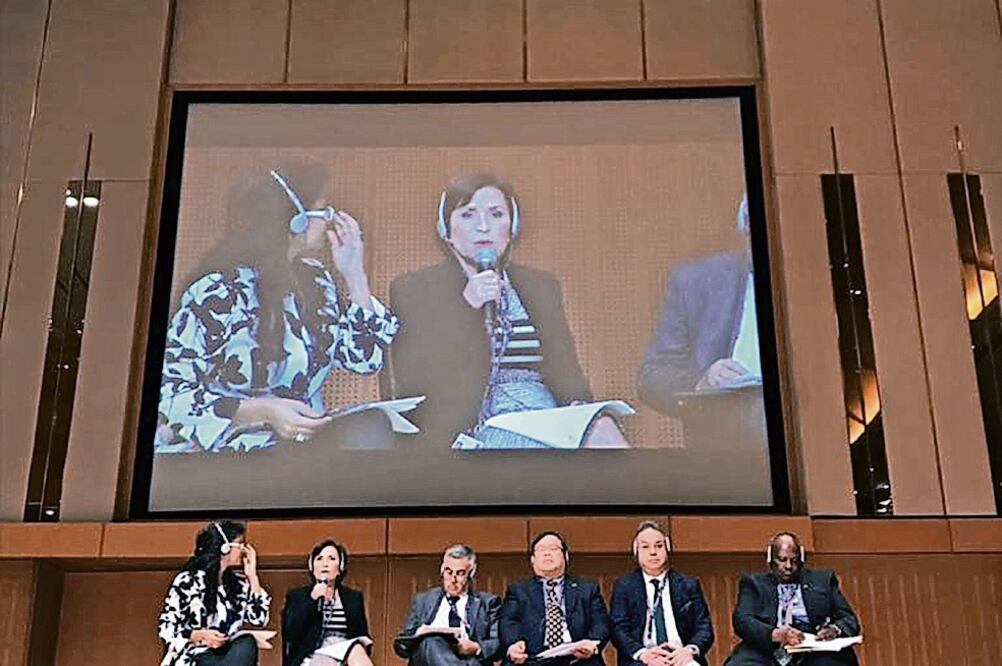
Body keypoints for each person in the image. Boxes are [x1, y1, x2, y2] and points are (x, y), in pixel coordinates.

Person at [156, 166, 399, 454]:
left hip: (301, 451)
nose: (330, 220)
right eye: (323, 211)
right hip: (225, 456)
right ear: (296, 221)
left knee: (372, 431)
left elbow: (364, 360)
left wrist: (354, 274)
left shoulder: (315, 280)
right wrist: (263, 411)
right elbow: (169, 395)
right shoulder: (218, 291)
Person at [383, 171, 625, 448]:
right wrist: (466, 307)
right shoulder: (414, 288)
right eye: (468, 215)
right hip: (472, 421)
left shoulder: (541, 286)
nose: (483, 227)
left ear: (512, 228)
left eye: (496, 214)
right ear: (445, 229)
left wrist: (579, 409)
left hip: (543, 413)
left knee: (604, 431)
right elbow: (415, 378)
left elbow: (565, 369)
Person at [638, 195, 760, 415]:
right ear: (746, 224)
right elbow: (653, 377)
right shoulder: (696, 283)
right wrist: (702, 382)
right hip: (726, 425)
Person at [725, 533, 861, 666]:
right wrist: (776, 634)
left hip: (815, 649)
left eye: (794, 560)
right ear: (771, 560)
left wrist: (834, 629)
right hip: (768, 647)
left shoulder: (823, 580)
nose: (789, 566)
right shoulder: (754, 583)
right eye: (782, 560)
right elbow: (743, 621)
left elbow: (849, 620)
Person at [158, 520, 271, 666]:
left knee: (247, 643)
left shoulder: (239, 585)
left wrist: (252, 576)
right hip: (196, 656)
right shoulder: (189, 581)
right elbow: (166, 627)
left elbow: (259, 619)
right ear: (225, 548)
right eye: (239, 544)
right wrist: (198, 635)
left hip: (227, 655)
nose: (243, 549)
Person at [610, 521, 714, 666]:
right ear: (636, 551)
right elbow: (618, 630)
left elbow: (704, 628)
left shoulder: (688, 584)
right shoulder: (624, 586)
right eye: (645, 547)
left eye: (659, 546)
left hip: (682, 657)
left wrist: (689, 650)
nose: (653, 552)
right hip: (643, 660)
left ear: (668, 548)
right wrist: (643, 654)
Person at [500, 531, 611, 665]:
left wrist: (591, 644)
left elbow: (600, 623)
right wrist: (514, 644)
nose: (547, 553)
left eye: (553, 548)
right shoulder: (518, 590)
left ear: (566, 556)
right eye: (541, 550)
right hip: (533, 659)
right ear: (532, 560)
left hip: (577, 658)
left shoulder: (587, 589)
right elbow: (508, 622)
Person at [393, 543, 501, 665]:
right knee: (432, 642)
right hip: (427, 659)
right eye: (448, 572)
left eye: (460, 573)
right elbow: (404, 642)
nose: (453, 580)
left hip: (468, 660)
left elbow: (498, 643)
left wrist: (476, 647)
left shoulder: (488, 603)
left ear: (471, 573)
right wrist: (418, 636)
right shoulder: (423, 601)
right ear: (442, 570)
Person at [282, 539, 374, 666]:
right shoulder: (297, 596)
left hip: (345, 652)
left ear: (340, 568)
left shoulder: (353, 598)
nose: (325, 564)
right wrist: (312, 599)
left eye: (331, 559)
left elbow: (362, 635)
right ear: (312, 567)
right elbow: (290, 633)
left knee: (357, 649)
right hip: (312, 654)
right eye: (319, 559)